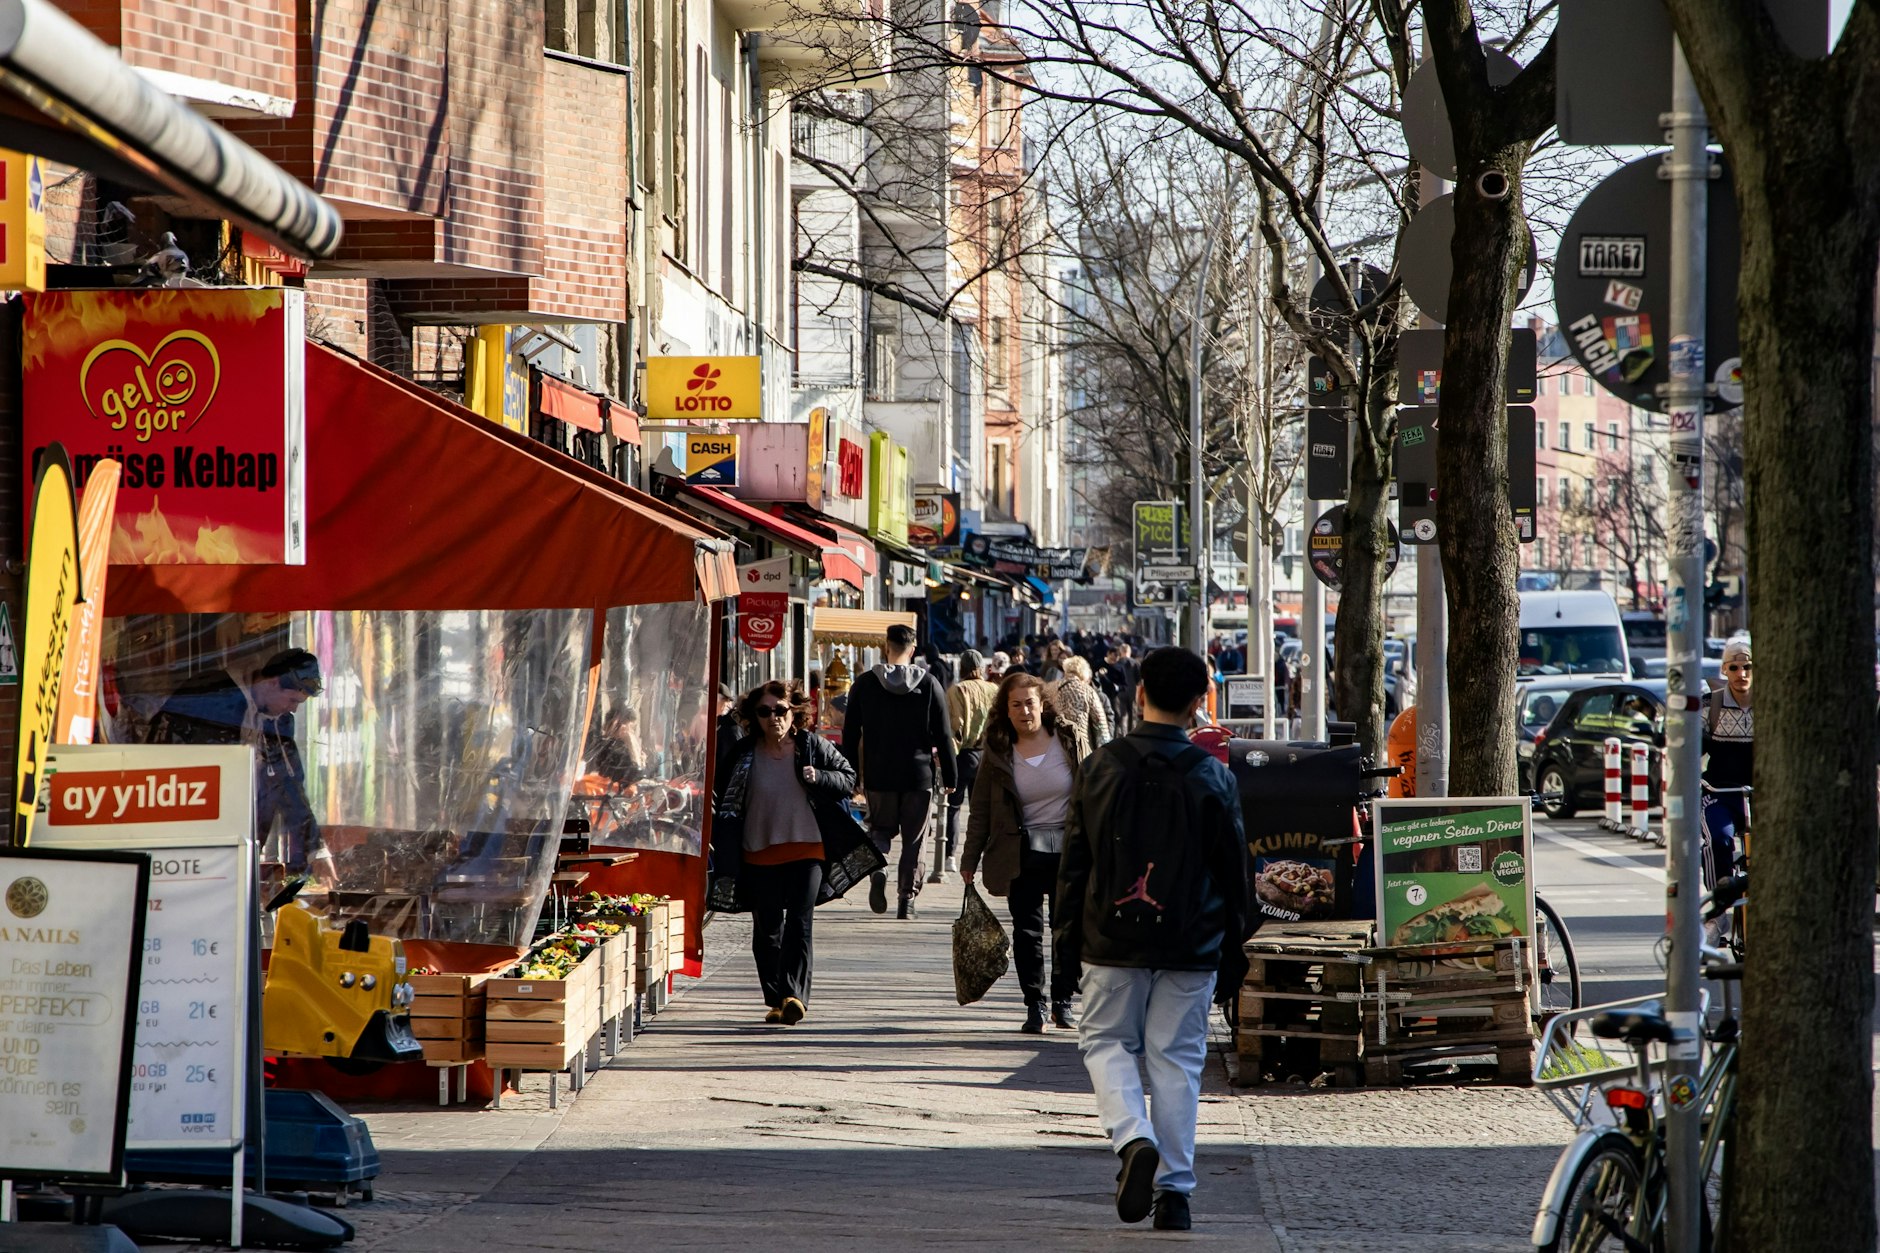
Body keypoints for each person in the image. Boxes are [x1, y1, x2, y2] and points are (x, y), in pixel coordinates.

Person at [1055, 646, 1250, 1232]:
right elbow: (1235, 875)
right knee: (1178, 1061)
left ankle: (1132, 1137)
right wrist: (1233, 952)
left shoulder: (1099, 768)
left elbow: (1074, 866)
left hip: (1110, 937)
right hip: (1191, 942)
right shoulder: (1214, 776)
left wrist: (1065, 947)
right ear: (1198, 704)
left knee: (1105, 1042)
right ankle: (1175, 1194)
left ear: (1139, 694)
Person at [711, 680, 861, 1025]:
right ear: (754, 716)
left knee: (799, 922)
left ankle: (794, 996)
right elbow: (721, 792)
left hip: (808, 849)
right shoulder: (744, 752)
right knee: (767, 929)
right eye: (764, 712)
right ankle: (777, 997)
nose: (773, 718)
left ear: (794, 712)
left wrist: (819, 776)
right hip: (758, 852)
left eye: (780, 710)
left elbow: (847, 777)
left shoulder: (811, 746)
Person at [961, 671, 1093, 1033]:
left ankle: (1063, 1001)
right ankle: (1035, 1004)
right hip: (1019, 852)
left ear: (1043, 704)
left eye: (1030, 703)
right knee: (1027, 932)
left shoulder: (1068, 738)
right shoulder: (997, 750)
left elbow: (1093, 793)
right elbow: (981, 809)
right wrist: (970, 858)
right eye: (1016, 704)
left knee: (1067, 929)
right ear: (1006, 710)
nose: (1024, 711)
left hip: (1068, 850)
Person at [147, 648, 333, 884]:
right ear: (273, 682)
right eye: (293, 700)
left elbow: (289, 785)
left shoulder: (279, 721)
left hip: (238, 848)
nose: (293, 709)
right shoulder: (215, 695)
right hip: (186, 841)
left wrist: (315, 849)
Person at [841, 623, 959, 919]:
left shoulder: (865, 684)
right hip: (918, 776)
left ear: (886, 647)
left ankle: (878, 866)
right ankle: (907, 899)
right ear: (913, 650)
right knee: (914, 839)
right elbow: (943, 734)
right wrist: (951, 776)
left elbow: (850, 734)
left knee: (879, 831)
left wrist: (852, 773)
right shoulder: (929, 684)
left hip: (879, 774)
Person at [1700, 634, 1753, 888]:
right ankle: (1718, 901)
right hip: (1720, 793)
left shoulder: (1773, 704)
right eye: (1734, 668)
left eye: (1747, 667)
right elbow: (1689, 747)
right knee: (1719, 840)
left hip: (1762, 794)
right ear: (1724, 670)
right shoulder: (1710, 704)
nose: (1741, 674)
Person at [945, 649, 1000, 875]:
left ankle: (950, 856)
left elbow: (956, 727)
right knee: (983, 810)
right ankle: (984, 855)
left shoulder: (957, 690)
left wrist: (949, 758)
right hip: (987, 755)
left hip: (963, 755)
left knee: (954, 807)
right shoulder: (994, 690)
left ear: (962, 667)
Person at [1051, 655, 1112, 748]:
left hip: (1057, 744)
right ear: (1084, 672)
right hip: (1081, 744)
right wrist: (1104, 749)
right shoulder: (1087, 691)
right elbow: (1100, 723)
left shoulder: (1053, 689)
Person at [593, 706, 645, 789]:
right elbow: (635, 776)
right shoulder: (600, 748)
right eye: (629, 729)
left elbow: (640, 778)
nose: (628, 732)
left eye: (632, 729)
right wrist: (631, 745)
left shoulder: (626, 749)